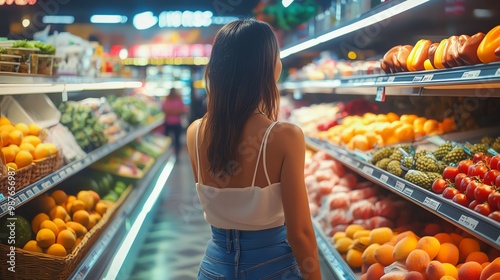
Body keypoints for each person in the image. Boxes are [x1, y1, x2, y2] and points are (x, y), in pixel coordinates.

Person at [186, 19, 321, 279]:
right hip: (272, 268)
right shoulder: (285, 137)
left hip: (214, 267)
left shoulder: (195, 133)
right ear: (267, 66)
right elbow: (300, 233)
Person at [163, 87, 186, 157]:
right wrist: (175, 111)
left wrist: (171, 111)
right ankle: (168, 154)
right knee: (167, 140)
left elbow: (182, 110)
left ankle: (177, 154)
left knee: (177, 140)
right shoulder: (167, 99)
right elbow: (165, 110)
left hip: (176, 123)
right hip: (169, 123)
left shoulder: (178, 99)